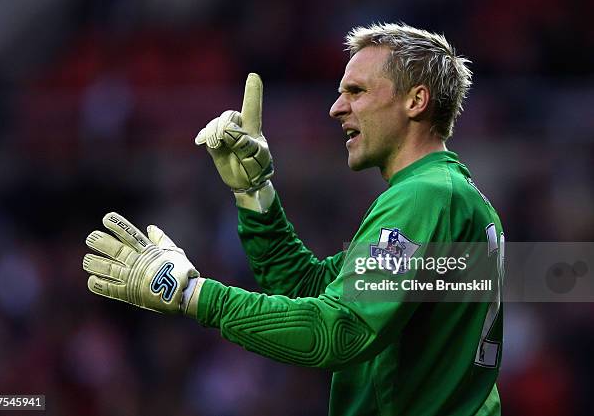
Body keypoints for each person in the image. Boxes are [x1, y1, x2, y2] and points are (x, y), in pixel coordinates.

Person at [83, 23, 504, 416]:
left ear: (415, 101)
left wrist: (192, 293)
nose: (337, 108)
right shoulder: (458, 198)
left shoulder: (424, 197)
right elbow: (310, 290)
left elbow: (341, 329)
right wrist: (255, 193)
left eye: (356, 91)